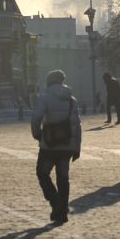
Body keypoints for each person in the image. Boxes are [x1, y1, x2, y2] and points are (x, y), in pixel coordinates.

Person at [30, 69, 83, 224]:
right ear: (62, 82)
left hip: (49, 144)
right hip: (66, 145)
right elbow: (76, 126)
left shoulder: (44, 98)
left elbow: (36, 118)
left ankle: (55, 202)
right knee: (63, 177)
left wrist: (37, 135)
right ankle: (63, 211)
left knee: (42, 173)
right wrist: (77, 147)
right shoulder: (71, 100)